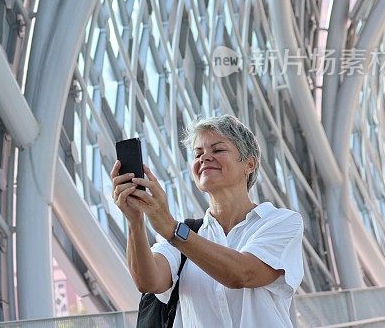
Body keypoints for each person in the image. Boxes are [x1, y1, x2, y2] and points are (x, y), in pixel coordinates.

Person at [111, 114, 304, 327]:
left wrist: (173, 229)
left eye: (218, 150)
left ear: (249, 164)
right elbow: (148, 281)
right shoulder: (185, 234)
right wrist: (135, 221)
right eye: (198, 153)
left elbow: (242, 274)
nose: (204, 158)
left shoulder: (281, 222)